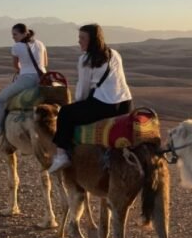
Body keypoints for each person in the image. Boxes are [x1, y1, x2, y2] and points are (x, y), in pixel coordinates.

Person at [48, 24, 132, 173]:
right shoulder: (114, 54)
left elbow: (83, 90)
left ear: (92, 40)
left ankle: (62, 156)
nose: (79, 41)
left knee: (66, 113)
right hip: (125, 103)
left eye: (82, 38)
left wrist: (77, 105)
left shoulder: (86, 59)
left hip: (105, 105)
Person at [0, 23, 48, 140]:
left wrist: (23, 71)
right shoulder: (40, 43)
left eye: (15, 34)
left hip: (27, 79)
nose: (13, 37)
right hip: (44, 79)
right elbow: (45, 63)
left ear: (24, 33)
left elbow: (16, 66)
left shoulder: (17, 46)